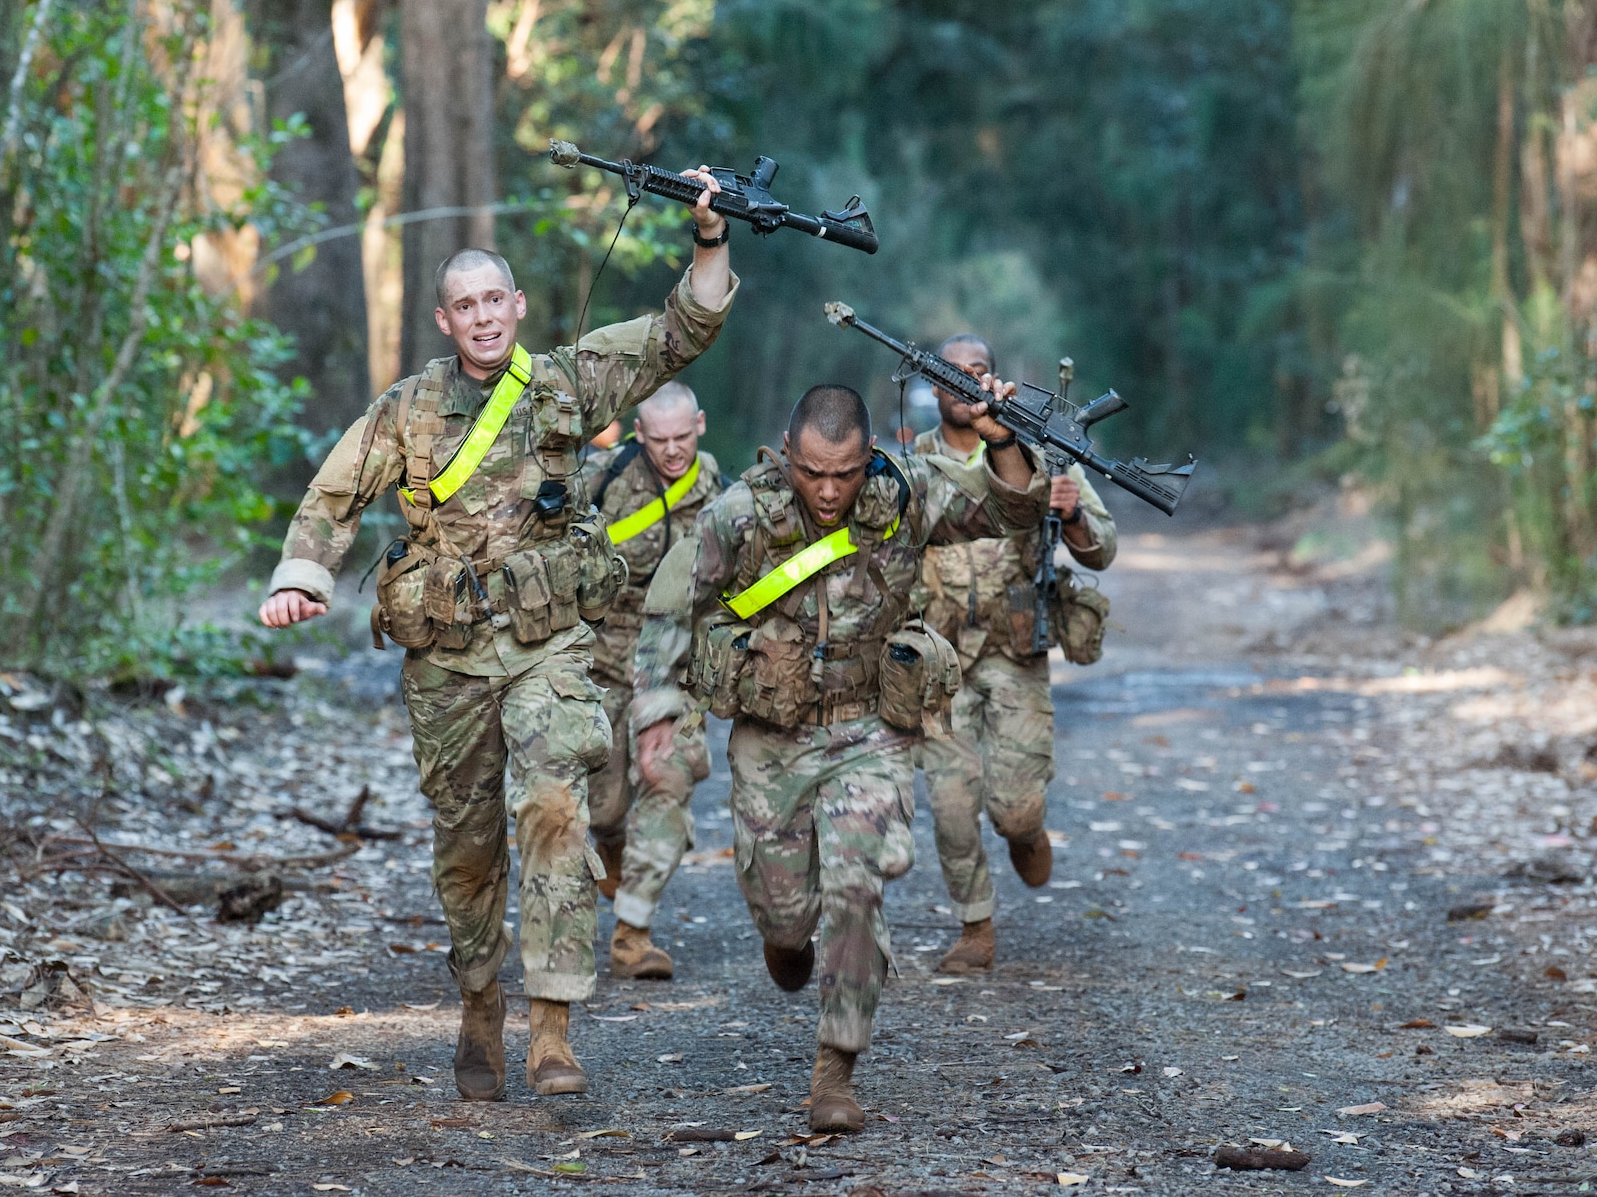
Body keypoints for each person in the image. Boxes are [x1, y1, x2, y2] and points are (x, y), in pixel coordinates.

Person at [256, 174, 736, 1102]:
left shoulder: (567, 381)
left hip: (550, 644)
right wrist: (300, 575)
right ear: (444, 319)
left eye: (494, 301)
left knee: (555, 808)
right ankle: (480, 999)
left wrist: (710, 236)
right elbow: (332, 494)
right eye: (464, 306)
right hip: (446, 655)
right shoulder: (408, 408)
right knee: (469, 844)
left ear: (518, 306)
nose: (482, 318)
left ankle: (553, 1029)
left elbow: (685, 327)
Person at [635, 381, 1047, 1132]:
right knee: (787, 923)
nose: (828, 490)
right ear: (787, 453)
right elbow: (673, 607)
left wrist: (1001, 438)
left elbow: (1013, 510)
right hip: (771, 735)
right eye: (813, 471)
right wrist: (658, 714)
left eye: (846, 472)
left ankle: (835, 1071)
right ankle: (786, 941)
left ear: (869, 459)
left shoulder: (905, 493)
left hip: (871, 731)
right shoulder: (743, 513)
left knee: (857, 885)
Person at [910, 333, 1116, 973]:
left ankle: (1026, 832)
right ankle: (976, 927)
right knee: (949, 804)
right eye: (954, 373)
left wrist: (1073, 513)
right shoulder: (907, 468)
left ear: (995, 383)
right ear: (935, 388)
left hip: (1013, 651)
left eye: (980, 371)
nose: (968, 383)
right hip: (939, 657)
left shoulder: (1044, 456)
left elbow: (1101, 550)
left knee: (1014, 805)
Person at [576, 382, 724, 980]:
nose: (671, 451)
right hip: (603, 667)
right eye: (658, 440)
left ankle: (633, 933)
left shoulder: (723, 497)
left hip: (676, 676)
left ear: (702, 426)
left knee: (670, 778)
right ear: (639, 433)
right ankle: (611, 846)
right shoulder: (603, 482)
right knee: (604, 806)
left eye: (682, 438)